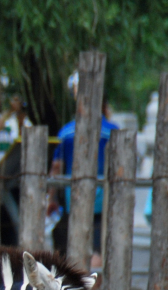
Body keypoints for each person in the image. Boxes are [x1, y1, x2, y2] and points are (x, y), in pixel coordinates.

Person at [48, 96, 118, 265]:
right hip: (104, 201)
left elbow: (57, 167)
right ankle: (91, 289)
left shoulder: (66, 132)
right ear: (104, 105)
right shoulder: (113, 131)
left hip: (73, 199)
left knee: (73, 246)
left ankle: (79, 288)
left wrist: (51, 198)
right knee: (97, 249)